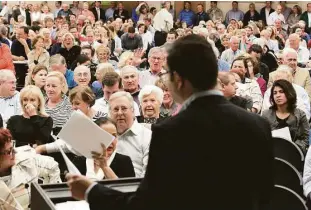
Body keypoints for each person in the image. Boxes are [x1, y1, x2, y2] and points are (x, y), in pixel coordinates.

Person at [67, 34, 273, 210]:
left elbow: (147, 205)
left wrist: (90, 191)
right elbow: (265, 197)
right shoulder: (258, 124)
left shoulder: (171, 132)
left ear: (178, 79)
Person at [0, 128, 61, 209]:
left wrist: (49, 201)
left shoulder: (26, 162)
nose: (14, 152)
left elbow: (52, 166)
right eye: (9, 151)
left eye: (13, 147)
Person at [262, 79, 309, 153]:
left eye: (281, 92)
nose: (278, 95)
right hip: (272, 154)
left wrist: (293, 148)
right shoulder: (266, 114)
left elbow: (305, 138)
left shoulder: (300, 114)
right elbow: (263, 137)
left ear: (289, 93)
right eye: (275, 93)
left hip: (294, 154)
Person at [44, 71, 72, 135]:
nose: (50, 89)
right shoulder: (40, 102)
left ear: (62, 86)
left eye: (54, 86)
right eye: (48, 85)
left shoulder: (70, 104)